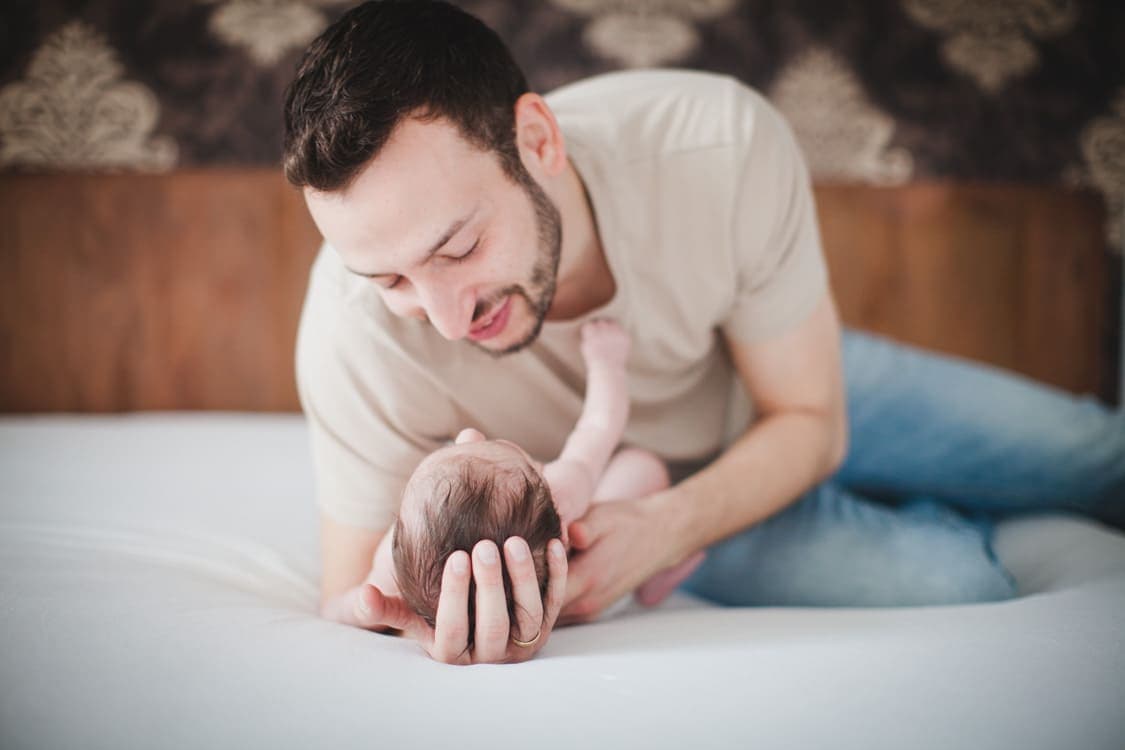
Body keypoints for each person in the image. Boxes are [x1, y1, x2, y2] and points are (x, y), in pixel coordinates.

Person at [287, 1, 1125, 665]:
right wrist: (429, 619)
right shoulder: (352, 333)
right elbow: (357, 595)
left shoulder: (717, 147)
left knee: (1096, 457)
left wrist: (666, 530)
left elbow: (808, 416)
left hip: (779, 387)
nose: (443, 318)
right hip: (655, 503)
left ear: (536, 140)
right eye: (392, 279)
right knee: (963, 585)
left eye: (459, 247)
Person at [378, 319, 704, 648]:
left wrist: (353, 606)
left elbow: (359, 601)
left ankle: (650, 583)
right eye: (485, 447)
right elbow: (600, 424)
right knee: (640, 467)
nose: (467, 435)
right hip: (606, 578)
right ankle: (654, 575)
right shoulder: (562, 489)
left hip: (560, 613)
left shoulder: (405, 561)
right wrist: (607, 362)